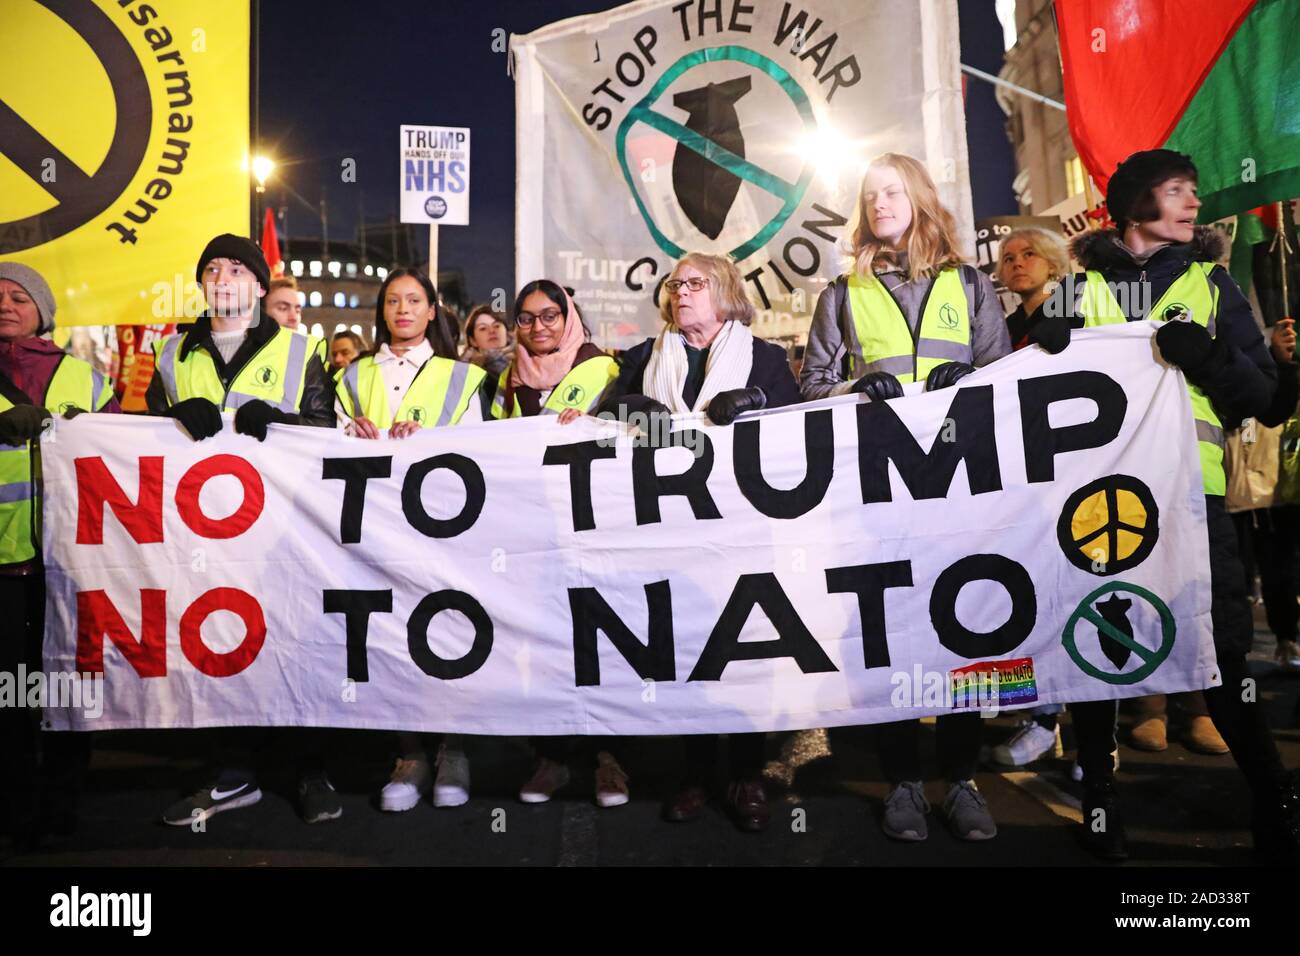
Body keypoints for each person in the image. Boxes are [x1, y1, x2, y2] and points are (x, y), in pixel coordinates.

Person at [1027, 148, 1300, 862]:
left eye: (1194, 191)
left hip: (1193, 506)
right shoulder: (1072, 289)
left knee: (1224, 653)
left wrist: (1207, 358)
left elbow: (1270, 400)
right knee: (1098, 653)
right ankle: (1099, 806)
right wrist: (1037, 349)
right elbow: (1021, 386)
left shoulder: (1212, 285)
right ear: (1135, 201)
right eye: (1178, 190)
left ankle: (1275, 800)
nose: (1192, 203)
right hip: (1099, 510)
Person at [801, 153, 1010, 843]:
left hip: (961, 492)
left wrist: (971, 379)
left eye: (893, 191)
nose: (882, 203)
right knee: (890, 638)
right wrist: (850, 391)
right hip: (879, 495)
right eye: (870, 195)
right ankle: (905, 784)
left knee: (965, 632)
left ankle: (962, 780)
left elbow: (1007, 383)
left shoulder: (971, 283)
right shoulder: (840, 292)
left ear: (918, 197)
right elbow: (812, 388)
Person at [600, 251, 801, 831]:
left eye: (695, 283)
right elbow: (608, 414)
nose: (682, 292)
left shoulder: (761, 357)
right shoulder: (645, 355)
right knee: (683, 647)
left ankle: (744, 775)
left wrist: (758, 401)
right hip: (670, 530)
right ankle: (694, 774)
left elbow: (796, 422)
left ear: (725, 291)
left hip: (742, 530)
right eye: (676, 284)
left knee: (742, 650)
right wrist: (630, 408)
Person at [147, 234, 339, 827]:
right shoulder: (171, 353)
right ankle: (233, 775)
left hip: (282, 534)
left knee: (294, 643)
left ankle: (309, 770)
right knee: (219, 642)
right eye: (212, 269)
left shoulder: (300, 348)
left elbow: (323, 429)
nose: (224, 278)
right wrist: (170, 420)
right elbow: (141, 440)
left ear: (259, 285)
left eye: (237, 269)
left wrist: (282, 423)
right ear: (201, 284)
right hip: (204, 538)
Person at [334, 268, 488, 809]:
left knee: (446, 631)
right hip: (375, 530)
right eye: (393, 301)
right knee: (388, 635)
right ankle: (408, 753)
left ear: (431, 312)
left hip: (442, 526)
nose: (402, 309)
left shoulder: (462, 377)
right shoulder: (350, 378)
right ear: (383, 312)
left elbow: (478, 454)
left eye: (414, 300)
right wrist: (348, 435)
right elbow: (327, 447)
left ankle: (454, 748)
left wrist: (427, 443)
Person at [480, 279, 627, 806]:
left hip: (596, 529)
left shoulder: (605, 368)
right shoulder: (505, 383)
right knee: (542, 647)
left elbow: (638, 427)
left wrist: (600, 421)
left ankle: (610, 758)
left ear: (568, 319)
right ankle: (553, 758)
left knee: (601, 642)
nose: (538, 327)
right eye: (526, 318)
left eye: (549, 316)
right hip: (532, 534)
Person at [0, 263, 117, 852]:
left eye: (19, 296)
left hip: (68, 561)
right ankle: (18, 803)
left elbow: (124, 457)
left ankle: (64, 799)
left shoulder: (89, 381)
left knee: (67, 687)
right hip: (2, 563)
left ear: (42, 310)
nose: (5, 304)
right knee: (9, 691)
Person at [997, 226, 1070, 351]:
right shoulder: (1005, 328)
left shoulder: (1075, 312)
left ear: (1052, 265)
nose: (1017, 264)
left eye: (1029, 254)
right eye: (1009, 259)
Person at [459, 304, 513, 378]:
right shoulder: (463, 373)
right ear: (473, 340)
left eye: (496, 326)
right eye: (483, 328)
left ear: (507, 334)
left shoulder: (526, 364)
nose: (492, 331)